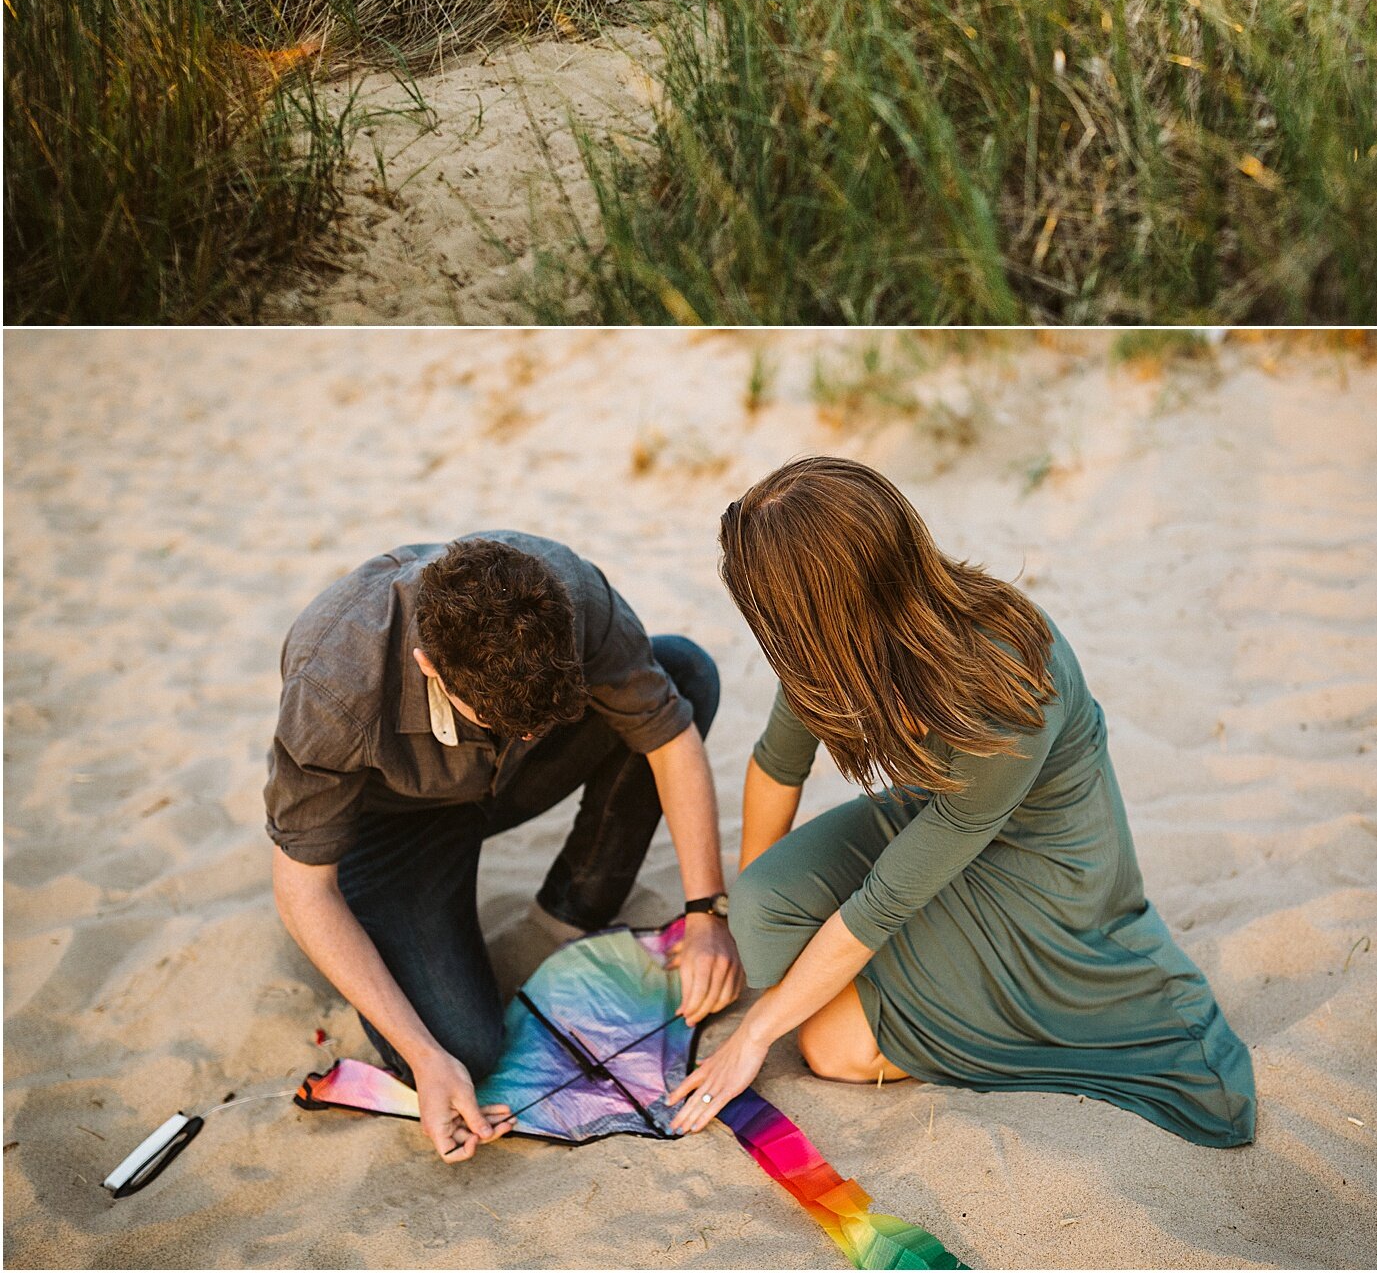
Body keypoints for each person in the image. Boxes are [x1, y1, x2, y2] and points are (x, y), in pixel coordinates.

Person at [666, 457, 1257, 1148]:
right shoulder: (832, 654)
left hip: (1040, 873)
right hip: (935, 822)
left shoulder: (1003, 673)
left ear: (827, 605)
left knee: (829, 1045)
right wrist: (738, 923)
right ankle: (909, 974)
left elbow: (882, 901)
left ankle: (965, 994)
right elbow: (776, 764)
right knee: (765, 923)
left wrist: (758, 1034)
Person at [266, 533, 740, 1165]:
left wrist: (707, 911)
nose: (521, 731)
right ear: (429, 664)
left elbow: (668, 737)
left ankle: (561, 919)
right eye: (498, 717)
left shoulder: (566, 592)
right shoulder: (334, 688)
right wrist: (427, 1058)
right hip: (397, 823)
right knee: (463, 1051)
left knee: (682, 671)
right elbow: (303, 891)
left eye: (533, 719)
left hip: (516, 777)